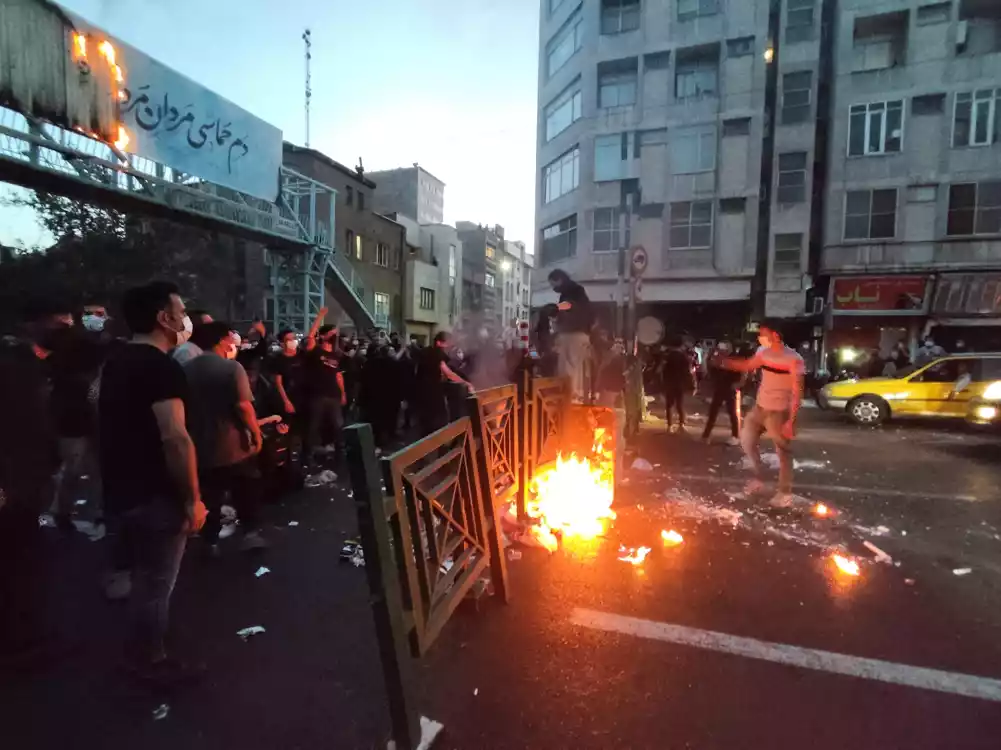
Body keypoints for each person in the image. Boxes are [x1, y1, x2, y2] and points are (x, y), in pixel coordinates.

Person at [98, 281, 206, 683]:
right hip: (156, 495)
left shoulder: (116, 361)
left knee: (142, 578)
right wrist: (193, 498)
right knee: (156, 584)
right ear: (164, 318)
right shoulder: (162, 367)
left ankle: (140, 651)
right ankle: (150, 660)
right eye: (180, 310)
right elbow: (175, 437)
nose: (184, 318)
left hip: (120, 490)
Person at [183, 322, 267, 554]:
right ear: (221, 340)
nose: (233, 342)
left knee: (210, 495)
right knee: (246, 489)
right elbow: (243, 406)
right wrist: (256, 434)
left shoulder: (185, 369)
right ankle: (250, 534)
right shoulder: (231, 368)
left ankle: (210, 541)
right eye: (230, 338)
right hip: (234, 444)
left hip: (200, 444)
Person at [722, 322, 804, 508]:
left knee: (783, 452)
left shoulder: (793, 359)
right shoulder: (763, 352)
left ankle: (784, 493)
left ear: (775, 335)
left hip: (779, 411)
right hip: (760, 407)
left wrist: (791, 420)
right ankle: (759, 479)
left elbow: (798, 391)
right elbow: (747, 366)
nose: (760, 337)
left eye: (763, 333)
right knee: (747, 441)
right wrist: (724, 362)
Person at [302, 324, 347, 465]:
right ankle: (308, 456)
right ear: (323, 335)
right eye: (332, 333)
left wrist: (343, 393)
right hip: (318, 395)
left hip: (333, 395)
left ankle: (340, 455)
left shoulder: (335, 354)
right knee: (312, 427)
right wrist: (319, 318)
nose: (335, 336)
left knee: (338, 426)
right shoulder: (315, 351)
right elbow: (310, 337)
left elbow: (338, 376)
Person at [415, 331, 473, 436]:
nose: (449, 346)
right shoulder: (437, 353)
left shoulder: (427, 352)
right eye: (447, 343)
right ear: (439, 343)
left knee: (426, 422)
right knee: (437, 421)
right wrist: (467, 383)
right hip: (432, 392)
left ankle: (426, 444)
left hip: (422, 392)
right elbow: (448, 373)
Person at [548, 269, 593, 400]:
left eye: (553, 284)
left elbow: (570, 305)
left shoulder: (573, 291)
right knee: (576, 366)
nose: (553, 288)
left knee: (568, 365)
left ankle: (570, 394)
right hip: (580, 333)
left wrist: (556, 308)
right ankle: (574, 393)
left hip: (574, 333)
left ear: (559, 280)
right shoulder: (576, 291)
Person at [701, 342, 742, 446]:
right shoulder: (718, 361)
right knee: (713, 413)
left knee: (731, 413)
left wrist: (737, 384)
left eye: (724, 350)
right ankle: (706, 435)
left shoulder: (732, 361)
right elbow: (710, 370)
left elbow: (740, 375)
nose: (721, 352)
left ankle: (735, 436)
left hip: (728, 389)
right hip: (720, 389)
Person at [660, 336, 695, 434]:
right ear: (681, 345)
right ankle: (681, 425)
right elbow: (688, 372)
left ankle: (669, 426)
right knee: (680, 404)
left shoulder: (667, 356)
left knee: (669, 405)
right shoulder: (684, 357)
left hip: (669, 383)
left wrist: (662, 384)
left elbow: (662, 371)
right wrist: (692, 386)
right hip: (680, 383)